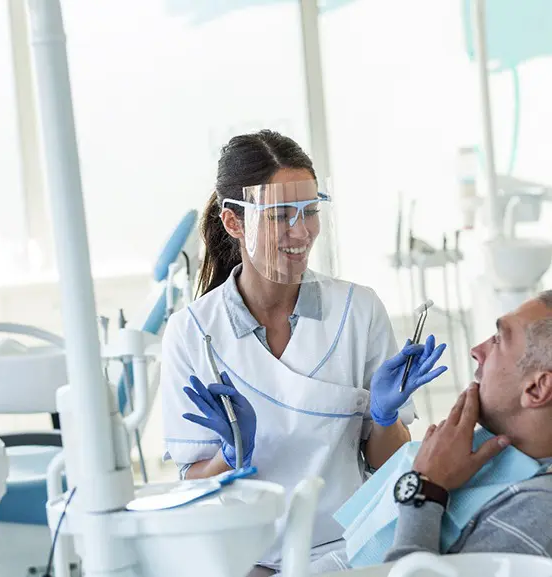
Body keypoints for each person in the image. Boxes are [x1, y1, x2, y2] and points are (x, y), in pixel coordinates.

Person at [160, 130, 447, 575]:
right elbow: (191, 487)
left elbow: (385, 462)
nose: (301, 231)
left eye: (310, 211)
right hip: (245, 556)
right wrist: (231, 457)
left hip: (347, 551)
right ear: (234, 222)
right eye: (279, 215)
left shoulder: (358, 309)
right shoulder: (192, 332)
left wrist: (386, 419)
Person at [310, 290, 552, 574]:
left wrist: (425, 489)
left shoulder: (536, 514)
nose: (477, 350)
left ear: (537, 388)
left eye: (499, 339)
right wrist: (384, 418)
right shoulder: (488, 463)